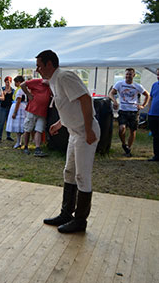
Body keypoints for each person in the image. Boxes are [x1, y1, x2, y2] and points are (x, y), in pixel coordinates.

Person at [37, 50, 100, 233]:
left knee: (82, 176)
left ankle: (80, 221)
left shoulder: (65, 77)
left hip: (84, 132)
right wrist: (59, 124)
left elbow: (86, 100)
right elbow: (69, 107)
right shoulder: (54, 81)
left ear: (50, 64)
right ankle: (66, 214)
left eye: (40, 66)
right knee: (69, 172)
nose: (38, 69)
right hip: (74, 132)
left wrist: (88, 130)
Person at [109, 68, 150, 157]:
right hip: (123, 110)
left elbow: (147, 95)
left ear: (134, 75)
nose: (128, 76)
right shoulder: (119, 84)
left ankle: (128, 148)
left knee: (133, 130)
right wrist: (115, 101)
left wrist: (143, 105)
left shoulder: (137, 86)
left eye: (130, 74)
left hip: (134, 111)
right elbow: (111, 93)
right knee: (121, 128)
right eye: (127, 74)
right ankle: (124, 144)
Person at [20, 78, 52, 157]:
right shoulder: (36, 81)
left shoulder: (51, 85)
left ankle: (37, 148)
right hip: (32, 110)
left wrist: (50, 84)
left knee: (39, 130)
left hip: (43, 112)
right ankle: (26, 147)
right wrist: (28, 94)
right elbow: (22, 85)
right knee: (28, 128)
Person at [7, 76, 26, 149]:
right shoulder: (20, 89)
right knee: (19, 127)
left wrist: (15, 112)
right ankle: (19, 141)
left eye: (16, 82)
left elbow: (18, 101)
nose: (15, 83)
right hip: (21, 107)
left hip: (20, 109)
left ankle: (19, 142)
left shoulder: (20, 90)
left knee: (19, 126)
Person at [147, 68, 159, 161]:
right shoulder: (155, 85)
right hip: (153, 115)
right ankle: (156, 155)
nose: (158, 77)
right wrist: (149, 110)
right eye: (157, 75)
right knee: (155, 136)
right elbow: (150, 98)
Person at [0, 76, 14, 142]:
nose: (8, 83)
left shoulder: (13, 90)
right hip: (3, 107)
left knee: (8, 122)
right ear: (5, 82)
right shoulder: (2, 89)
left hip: (10, 108)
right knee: (1, 122)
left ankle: (8, 136)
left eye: (9, 82)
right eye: (6, 82)